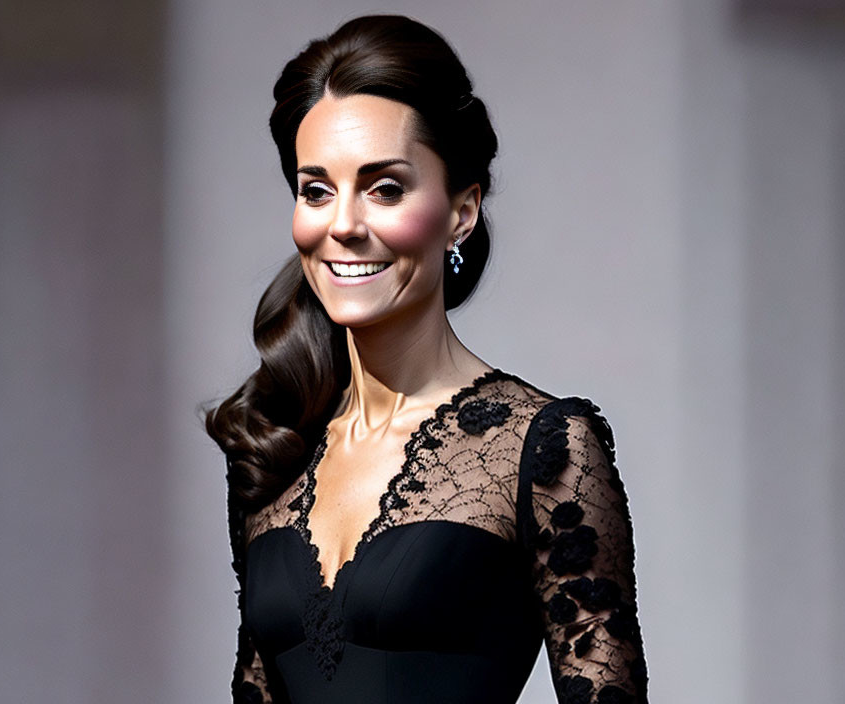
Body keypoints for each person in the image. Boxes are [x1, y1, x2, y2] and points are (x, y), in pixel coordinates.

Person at [205, 14, 648, 704]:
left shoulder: (542, 447)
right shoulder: (275, 444)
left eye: (385, 188)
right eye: (315, 189)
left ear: (462, 211)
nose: (343, 224)